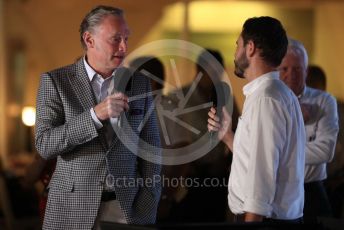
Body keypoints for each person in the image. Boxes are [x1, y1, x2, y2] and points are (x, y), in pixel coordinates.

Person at [34, 5, 161, 230]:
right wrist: (94, 115)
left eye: (126, 38)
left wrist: (147, 204)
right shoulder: (55, 82)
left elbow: (152, 150)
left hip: (128, 211)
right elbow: (45, 145)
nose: (124, 47)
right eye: (115, 39)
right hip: (69, 213)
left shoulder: (140, 83)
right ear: (89, 40)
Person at [207, 17, 305, 223]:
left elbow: (262, 175)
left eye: (237, 45)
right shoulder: (276, 94)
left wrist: (251, 222)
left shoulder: (266, 99)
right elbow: (257, 158)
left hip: (261, 220)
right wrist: (228, 136)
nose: (235, 53)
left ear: (250, 48)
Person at [278, 39, 339, 223]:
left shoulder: (324, 102)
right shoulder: (270, 103)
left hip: (312, 191)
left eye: (297, 69)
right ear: (276, 71)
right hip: (278, 192)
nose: (291, 75)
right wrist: (293, 118)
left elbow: (325, 152)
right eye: (285, 69)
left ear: (306, 71)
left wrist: (280, 153)